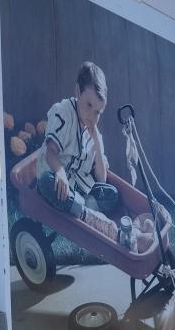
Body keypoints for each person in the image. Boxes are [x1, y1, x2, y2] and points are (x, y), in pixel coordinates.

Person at [36, 61, 120, 221]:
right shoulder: (64, 112)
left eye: (98, 112)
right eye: (89, 105)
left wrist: (96, 139)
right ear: (78, 92)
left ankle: (84, 207)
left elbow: (101, 179)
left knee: (113, 195)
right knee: (47, 182)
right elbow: (50, 152)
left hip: (79, 187)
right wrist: (60, 173)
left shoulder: (94, 132)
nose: (92, 116)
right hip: (56, 178)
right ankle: (86, 212)